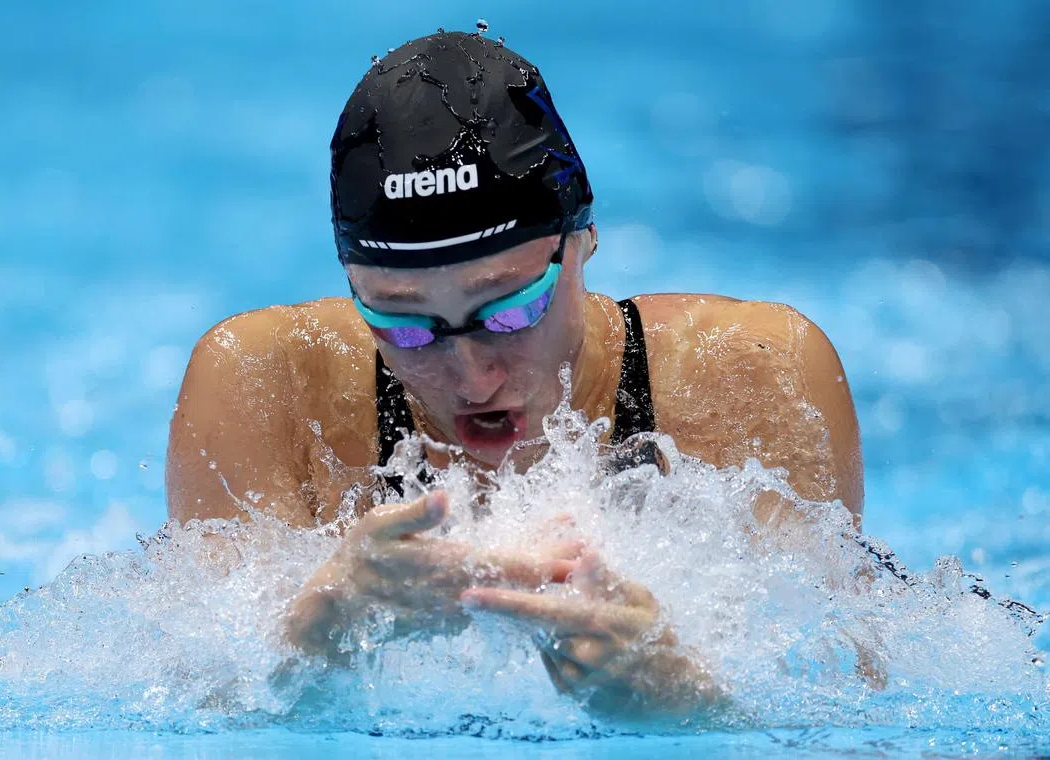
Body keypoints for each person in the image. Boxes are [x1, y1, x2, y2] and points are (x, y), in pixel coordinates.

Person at [165, 30, 863, 715]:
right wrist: (321, 630)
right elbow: (202, 714)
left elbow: (855, 705)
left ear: (583, 238)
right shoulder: (263, 388)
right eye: (404, 327)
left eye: (508, 313)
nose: (470, 378)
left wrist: (680, 700)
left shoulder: (754, 376)